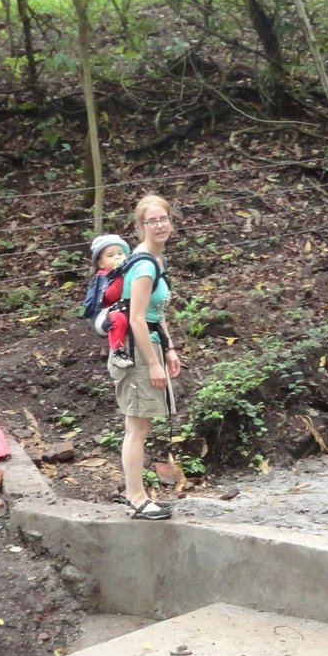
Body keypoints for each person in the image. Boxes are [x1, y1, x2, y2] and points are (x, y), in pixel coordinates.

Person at [110, 194, 182, 520]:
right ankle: (136, 498)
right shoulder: (143, 264)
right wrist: (153, 362)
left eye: (163, 218)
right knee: (137, 428)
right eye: (151, 221)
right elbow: (137, 318)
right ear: (140, 226)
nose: (159, 225)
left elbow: (156, 312)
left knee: (138, 426)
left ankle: (136, 493)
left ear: (171, 220)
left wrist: (169, 348)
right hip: (136, 352)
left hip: (147, 346)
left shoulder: (156, 259)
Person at [89, 233, 134, 367]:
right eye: (110, 255)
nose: (117, 257)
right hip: (104, 316)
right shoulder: (103, 277)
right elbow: (111, 295)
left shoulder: (126, 272)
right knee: (118, 317)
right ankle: (117, 352)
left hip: (121, 310)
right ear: (101, 263)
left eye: (120, 253)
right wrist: (119, 276)